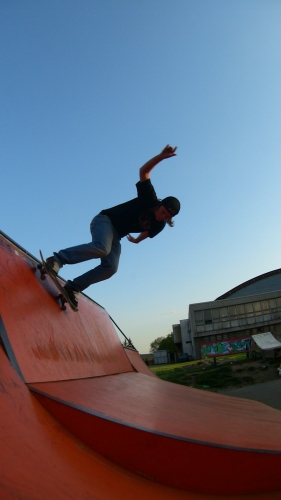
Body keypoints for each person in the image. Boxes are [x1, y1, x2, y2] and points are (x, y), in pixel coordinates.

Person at [46, 144, 180, 307]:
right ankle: (57, 260)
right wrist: (161, 156)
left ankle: (73, 287)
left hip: (117, 236)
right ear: (160, 205)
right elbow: (143, 171)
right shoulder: (149, 198)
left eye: (167, 216)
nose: (163, 216)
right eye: (163, 211)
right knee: (102, 248)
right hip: (105, 220)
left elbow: (147, 233)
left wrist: (137, 240)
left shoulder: (160, 226)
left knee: (111, 268)